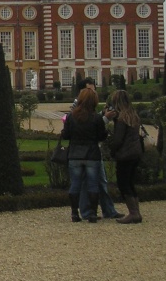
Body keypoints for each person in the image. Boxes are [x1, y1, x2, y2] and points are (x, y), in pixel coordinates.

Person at [75, 80, 124, 220]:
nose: (93, 93)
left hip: (91, 150)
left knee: (101, 181)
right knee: (88, 182)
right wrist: (105, 119)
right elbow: (87, 126)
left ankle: (107, 210)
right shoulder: (76, 107)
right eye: (90, 90)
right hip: (85, 151)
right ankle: (88, 211)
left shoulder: (91, 108)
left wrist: (102, 116)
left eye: (94, 90)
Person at [61, 87, 108, 222]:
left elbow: (66, 135)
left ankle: (75, 213)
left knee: (75, 184)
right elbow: (101, 136)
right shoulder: (97, 118)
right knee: (93, 185)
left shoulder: (71, 117)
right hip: (92, 154)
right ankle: (92, 213)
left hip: (75, 154)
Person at [103, 90, 144, 224]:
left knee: (123, 183)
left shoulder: (122, 118)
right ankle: (136, 212)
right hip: (135, 152)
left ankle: (133, 213)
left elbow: (118, 139)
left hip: (125, 154)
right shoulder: (133, 115)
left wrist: (112, 151)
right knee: (130, 182)